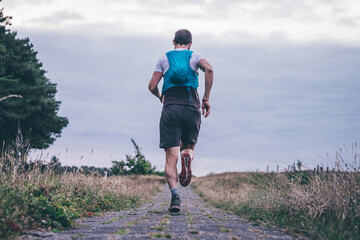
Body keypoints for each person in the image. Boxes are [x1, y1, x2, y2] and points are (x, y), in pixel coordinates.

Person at [148, 29, 213, 212]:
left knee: (170, 157)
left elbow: (152, 86)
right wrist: (206, 98)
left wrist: (160, 95)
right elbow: (209, 69)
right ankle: (188, 156)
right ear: (190, 44)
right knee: (188, 148)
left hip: (171, 109)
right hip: (192, 108)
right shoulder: (195, 57)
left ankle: (175, 197)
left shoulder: (164, 59)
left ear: (173, 42)